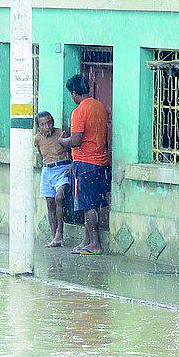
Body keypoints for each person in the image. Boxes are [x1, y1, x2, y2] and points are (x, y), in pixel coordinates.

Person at [60, 74, 111, 255]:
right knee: (92, 204)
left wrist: (62, 141)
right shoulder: (100, 106)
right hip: (101, 163)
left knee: (87, 205)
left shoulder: (79, 111)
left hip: (85, 164)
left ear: (74, 93)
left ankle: (95, 244)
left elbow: (75, 140)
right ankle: (87, 240)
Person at [35, 111, 72, 248]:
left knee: (59, 198)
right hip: (47, 171)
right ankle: (54, 238)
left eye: (49, 122)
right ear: (39, 126)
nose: (47, 126)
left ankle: (59, 233)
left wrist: (72, 165)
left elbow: (72, 150)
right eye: (43, 124)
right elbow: (41, 155)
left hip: (63, 169)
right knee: (50, 203)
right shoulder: (38, 139)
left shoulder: (61, 133)